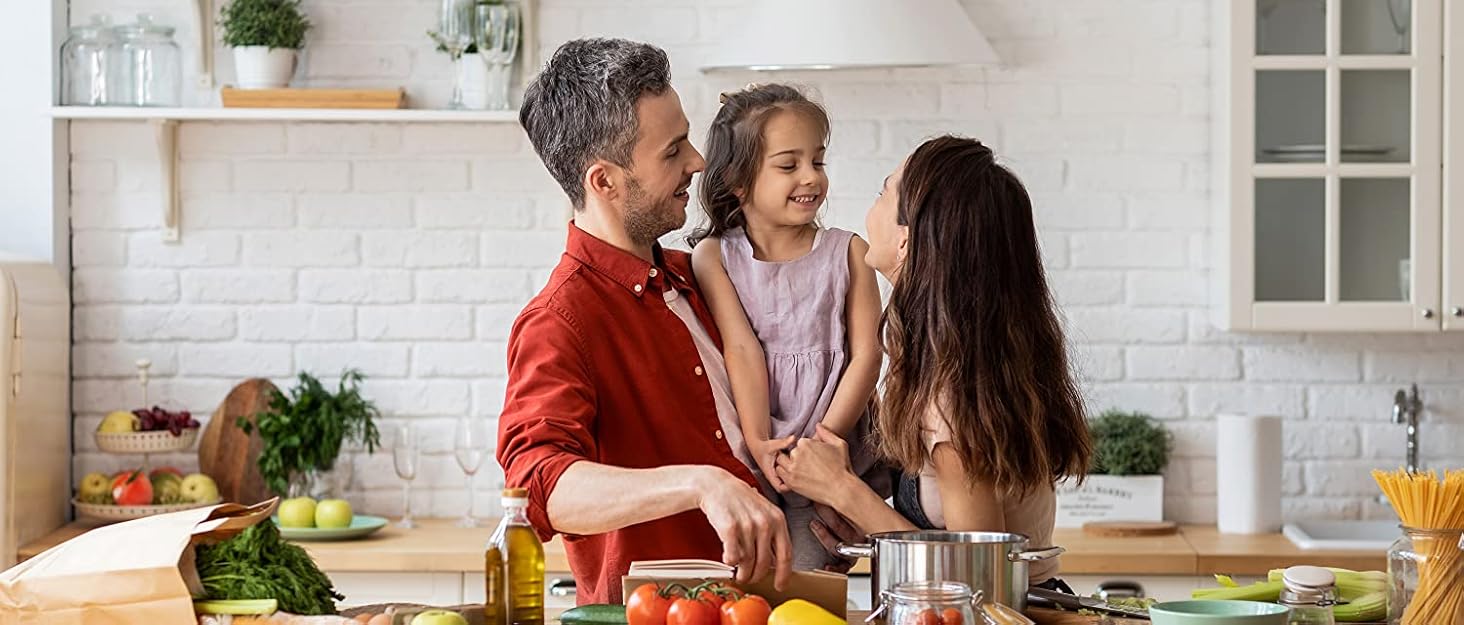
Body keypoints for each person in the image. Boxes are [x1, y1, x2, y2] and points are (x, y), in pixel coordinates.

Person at [496, 38, 791, 605]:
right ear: (603, 181)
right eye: (673, 150)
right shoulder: (561, 320)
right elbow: (537, 486)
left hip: (766, 608)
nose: (698, 163)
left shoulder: (702, 274)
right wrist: (699, 482)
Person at [774, 136, 1093, 591]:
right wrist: (875, 535)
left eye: (885, 191)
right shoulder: (949, 358)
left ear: (907, 240)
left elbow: (983, 584)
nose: (875, 202)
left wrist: (841, 488)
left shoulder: (951, 402)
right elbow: (946, 541)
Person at [687, 84, 882, 571]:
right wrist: (758, 440)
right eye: (789, 164)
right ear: (737, 179)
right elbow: (742, 348)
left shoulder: (849, 251)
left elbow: (867, 355)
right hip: (759, 455)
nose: (811, 177)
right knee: (756, 578)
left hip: (834, 451)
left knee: (812, 574)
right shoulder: (714, 257)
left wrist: (823, 444)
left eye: (818, 161)